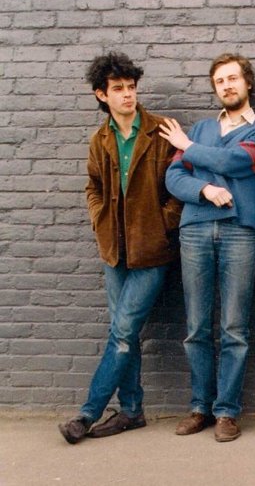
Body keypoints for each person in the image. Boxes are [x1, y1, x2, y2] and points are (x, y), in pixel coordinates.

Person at [58, 52, 182, 444]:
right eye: (118, 89)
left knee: (123, 332)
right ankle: (131, 410)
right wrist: (100, 220)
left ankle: (87, 414)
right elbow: (93, 187)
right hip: (115, 251)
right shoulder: (100, 140)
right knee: (123, 332)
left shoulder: (160, 130)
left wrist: (163, 223)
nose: (128, 94)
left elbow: (180, 183)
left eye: (131, 87)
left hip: (151, 251)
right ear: (102, 95)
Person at [162, 53, 255, 442]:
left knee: (235, 327)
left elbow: (235, 162)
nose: (226, 85)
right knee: (196, 326)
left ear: (247, 83)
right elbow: (174, 177)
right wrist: (205, 189)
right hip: (194, 229)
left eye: (232, 78)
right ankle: (200, 407)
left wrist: (188, 147)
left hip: (240, 231)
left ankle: (227, 411)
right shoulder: (202, 128)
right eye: (220, 81)